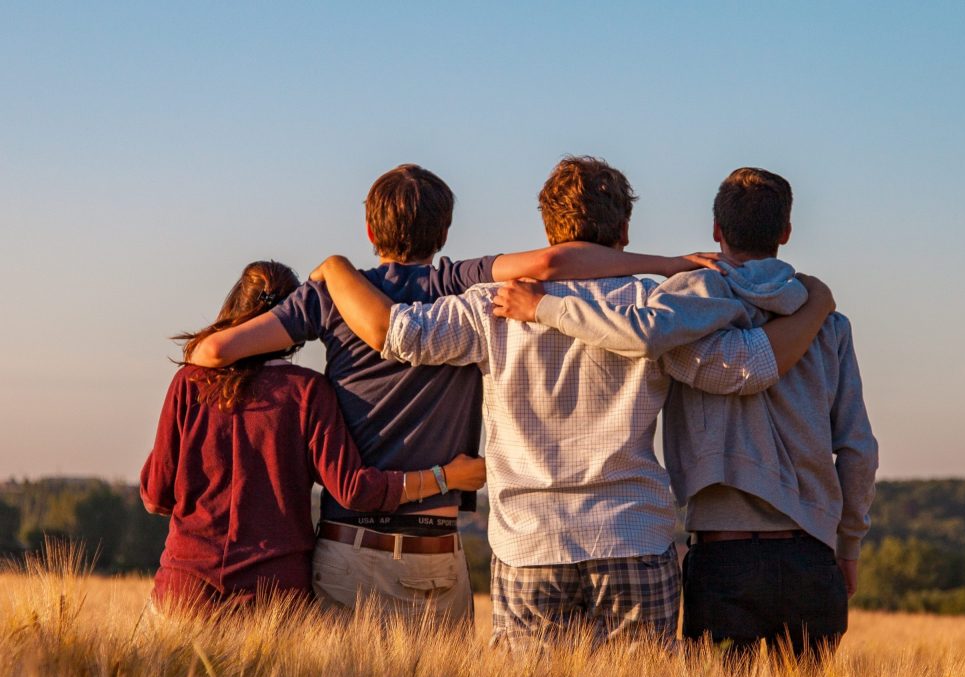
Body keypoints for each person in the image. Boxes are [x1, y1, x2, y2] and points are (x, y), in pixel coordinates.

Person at [309, 157, 835, 648]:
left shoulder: (489, 306)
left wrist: (335, 269)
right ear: (624, 233)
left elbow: (398, 334)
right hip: (632, 536)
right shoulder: (656, 308)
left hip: (529, 545)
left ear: (547, 231)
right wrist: (815, 307)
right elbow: (743, 369)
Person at [186, 164, 722, 623]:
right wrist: (667, 264)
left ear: (369, 229)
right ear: (444, 231)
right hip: (438, 550)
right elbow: (553, 264)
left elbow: (212, 355)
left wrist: (328, 275)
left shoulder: (330, 296)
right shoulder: (458, 283)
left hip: (351, 543)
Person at [494, 167, 878, 658]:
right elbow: (858, 449)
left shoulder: (682, 308)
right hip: (812, 555)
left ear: (717, 230)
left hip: (723, 557)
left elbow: (639, 334)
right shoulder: (828, 323)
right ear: (785, 233)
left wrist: (545, 307)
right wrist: (848, 544)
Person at [141, 260, 485, 612]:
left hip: (184, 589)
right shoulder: (307, 391)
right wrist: (446, 477)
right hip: (274, 597)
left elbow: (156, 497)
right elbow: (354, 490)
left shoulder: (190, 383)